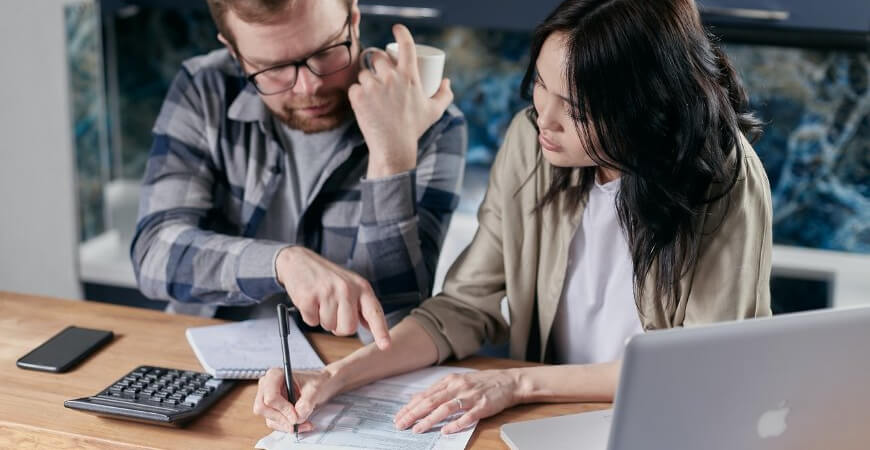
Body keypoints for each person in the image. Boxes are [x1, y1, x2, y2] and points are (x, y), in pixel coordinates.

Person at [253, 0, 773, 435]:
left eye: (578, 110)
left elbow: (699, 369)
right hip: (550, 421)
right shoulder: (533, 144)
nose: (543, 117)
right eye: (541, 84)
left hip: (666, 426)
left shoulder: (725, 180)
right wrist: (336, 375)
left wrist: (517, 383)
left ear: (646, 109)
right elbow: (462, 307)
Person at [130, 0, 467, 347]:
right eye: (272, 68)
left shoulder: (430, 121)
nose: (309, 87)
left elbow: (394, 328)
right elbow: (153, 255)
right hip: (204, 354)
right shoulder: (205, 88)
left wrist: (390, 158)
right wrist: (282, 264)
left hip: (347, 372)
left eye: (325, 52)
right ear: (234, 52)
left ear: (353, 19)